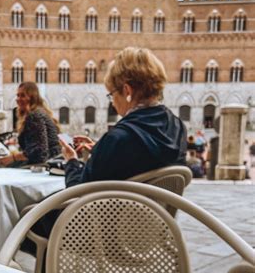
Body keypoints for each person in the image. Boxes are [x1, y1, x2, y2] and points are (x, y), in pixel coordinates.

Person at [60, 47, 187, 186]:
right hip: (159, 207)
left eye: (112, 94)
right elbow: (140, 157)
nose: (113, 103)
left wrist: (71, 160)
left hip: (109, 207)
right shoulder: (178, 127)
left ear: (127, 91)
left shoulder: (117, 139)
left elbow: (78, 192)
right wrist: (100, 149)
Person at [0, 82, 61, 166]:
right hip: (51, 161)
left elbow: (39, 152)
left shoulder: (34, 116)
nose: (18, 99)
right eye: (18, 95)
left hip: (46, 166)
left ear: (32, 98)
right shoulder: (39, 112)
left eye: (23, 95)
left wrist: (12, 158)